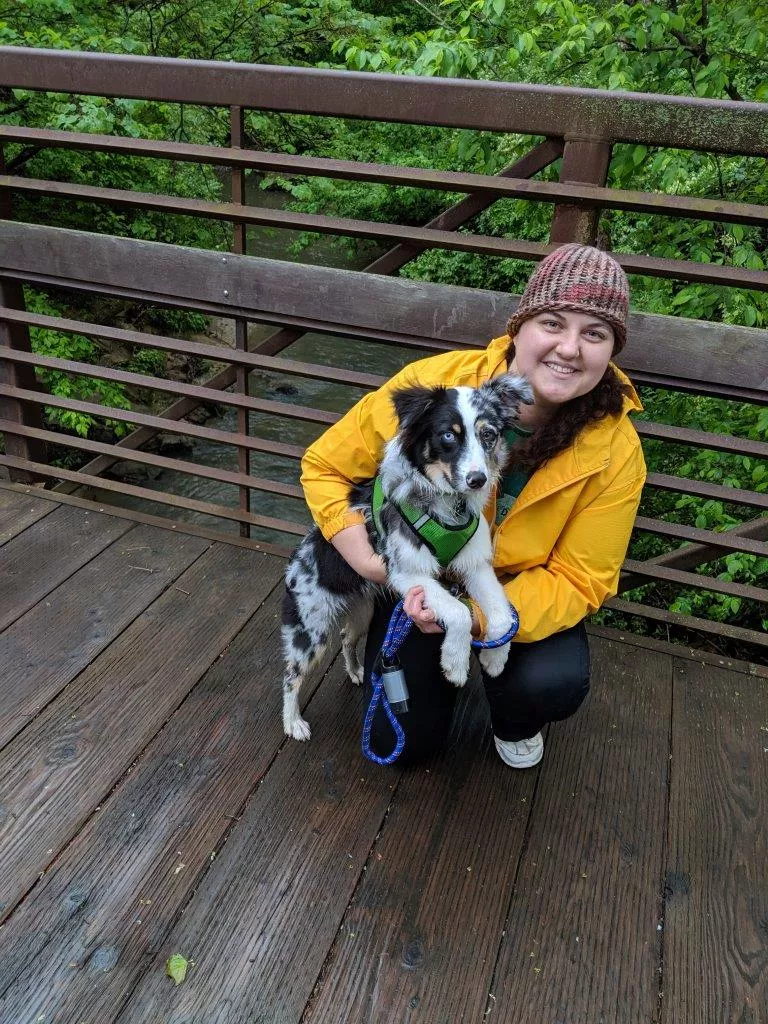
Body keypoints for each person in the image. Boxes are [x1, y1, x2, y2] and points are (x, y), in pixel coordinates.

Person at [300, 243, 646, 767]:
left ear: (610, 350)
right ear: (519, 328)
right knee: (411, 744)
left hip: (515, 589)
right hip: (421, 578)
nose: (570, 349)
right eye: (553, 322)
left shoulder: (615, 452)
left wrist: (480, 618)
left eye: (594, 333)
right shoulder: (439, 390)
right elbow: (324, 466)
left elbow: (580, 580)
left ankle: (515, 722)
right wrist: (369, 560)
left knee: (549, 683)